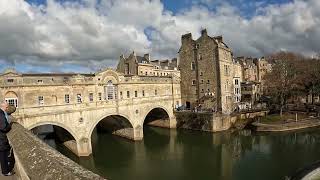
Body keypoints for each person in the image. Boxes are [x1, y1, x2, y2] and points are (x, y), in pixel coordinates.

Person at [0, 101, 14, 176]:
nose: (7, 108)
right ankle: (5, 172)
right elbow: (3, 127)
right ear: (3, 106)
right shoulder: (1, 114)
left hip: (1, 138)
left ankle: (5, 170)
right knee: (3, 156)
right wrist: (9, 126)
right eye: (6, 107)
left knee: (4, 154)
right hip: (1, 139)